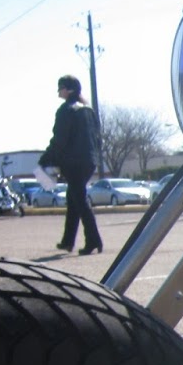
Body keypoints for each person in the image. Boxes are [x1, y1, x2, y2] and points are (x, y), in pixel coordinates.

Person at [39, 75, 104, 255]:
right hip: (89, 161)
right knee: (73, 199)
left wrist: (46, 158)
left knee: (80, 201)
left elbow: (59, 139)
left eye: (60, 88)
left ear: (69, 90)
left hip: (73, 162)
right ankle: (68, 241)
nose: (59, 91)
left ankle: (93, 239)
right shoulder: (88, 110)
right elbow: (98, 138)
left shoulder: (65, 110)